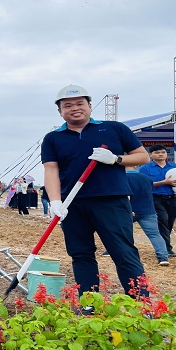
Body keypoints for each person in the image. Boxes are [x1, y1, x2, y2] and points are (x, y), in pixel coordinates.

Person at [42, 84, 150, 303]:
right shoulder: (53, 138)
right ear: (60, 111)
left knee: (123, 253)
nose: (75, 108)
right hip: (72, 204)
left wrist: (116, 159)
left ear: (90, 106)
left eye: (80, 103)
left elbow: (142, 157)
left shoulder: (114, 129)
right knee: (81, 255)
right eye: (68, 105)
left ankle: (141, 304)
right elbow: (51, 169)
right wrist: (55, 201)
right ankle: (89, 304)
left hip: (111, 201)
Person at [138, 145, 176, 257]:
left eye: (163, 152)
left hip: (172, 198)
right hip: (155, 198)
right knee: (162, 221)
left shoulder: (175, 167)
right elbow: (145, 184)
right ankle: (166, 248)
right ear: (150, 155)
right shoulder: (145, 169)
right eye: (157, 152)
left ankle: (163, 244)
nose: (160, 154)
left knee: (169, 222)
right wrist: (164, 182)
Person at [125, 166, 170, 266]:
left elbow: (125, 195)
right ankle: (163, 257)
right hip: (148, 210)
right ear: (135, 166)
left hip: (129, 210)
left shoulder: (122, 177)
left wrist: (128, 209)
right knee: (154, 234)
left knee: (122, 232)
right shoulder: (146, 178)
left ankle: (116, 253)